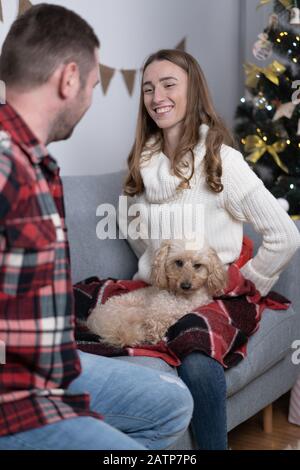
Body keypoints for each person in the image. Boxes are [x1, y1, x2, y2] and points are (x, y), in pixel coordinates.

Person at [0, 7, 194, 451]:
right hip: (16, 400)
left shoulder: (39, 163)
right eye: (91, 87)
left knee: (172, 402)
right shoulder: (5, 166)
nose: (89, 99)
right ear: (69, 78)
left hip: (56, 367)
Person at [122, 49, 300, 450]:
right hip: (161, 290)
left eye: (169, 85)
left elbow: (285, 236)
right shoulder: (141, 164)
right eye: (148, 88)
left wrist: (245, 283)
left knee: (198, 363)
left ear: (193, 92)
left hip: (214, 294)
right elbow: (136, 232)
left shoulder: (223, 161)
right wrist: (157, 267)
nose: (156, 96)